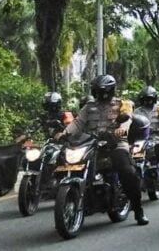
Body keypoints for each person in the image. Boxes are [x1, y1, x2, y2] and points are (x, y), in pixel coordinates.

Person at [57, 74, 149, 226]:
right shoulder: (88, 107)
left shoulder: (123, 104)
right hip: (92, 143)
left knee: (127, 172)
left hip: (116, 143)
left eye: (103, 91)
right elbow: (78, 123)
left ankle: (138, 211)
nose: (101, 94)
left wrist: (121, 130)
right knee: (69, 160)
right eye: (98, 91)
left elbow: (127, 119)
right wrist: (65, 133)